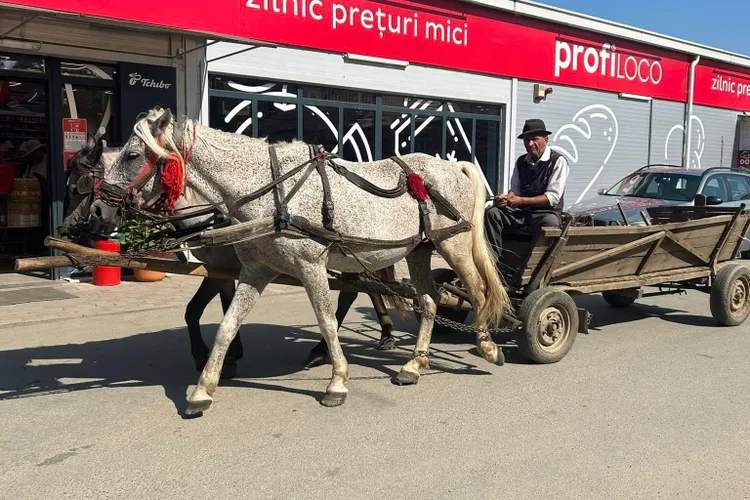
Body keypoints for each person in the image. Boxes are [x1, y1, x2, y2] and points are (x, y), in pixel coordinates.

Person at [484, 118, 569, 260]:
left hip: (545, 213)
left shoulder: (558, 161)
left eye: (534, 139)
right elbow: (515, 191)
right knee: (493, 213)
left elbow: (552, 198)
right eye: (526, 140)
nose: (529, 144)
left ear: (545, 139)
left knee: (550, 222)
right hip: (522, 212)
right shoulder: (521, 161)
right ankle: (492, 262)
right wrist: (506, 199)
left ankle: (537, 264)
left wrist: (520, 201)